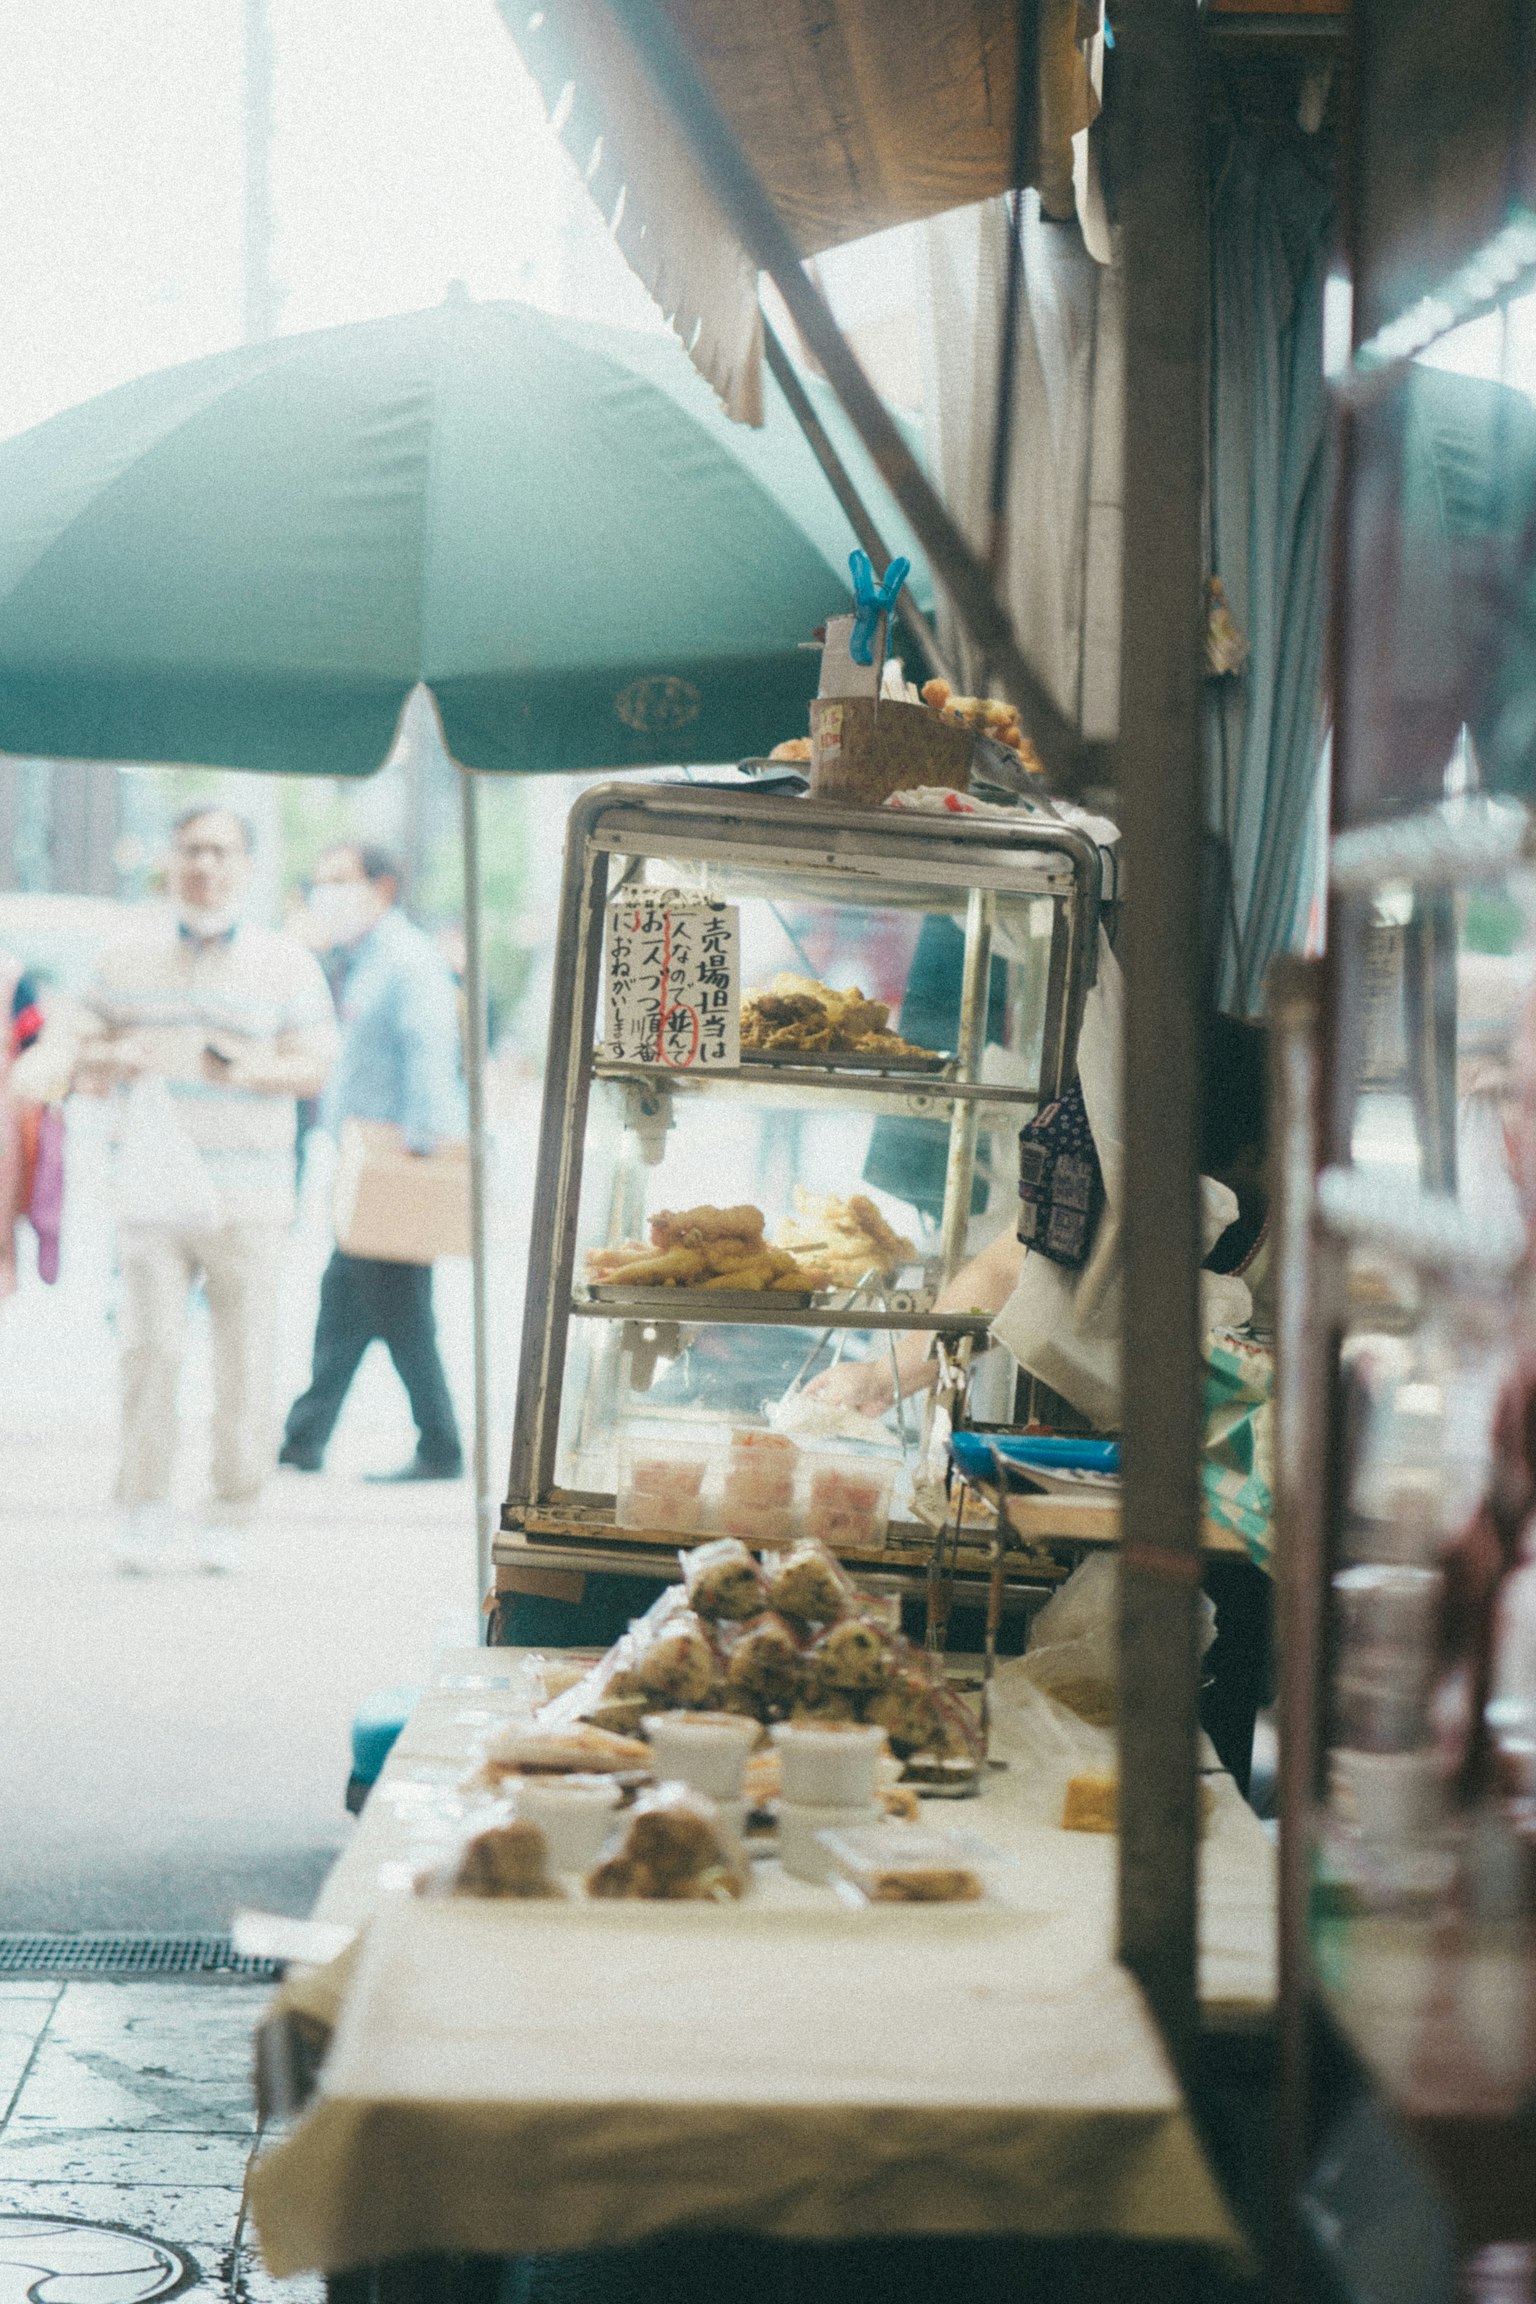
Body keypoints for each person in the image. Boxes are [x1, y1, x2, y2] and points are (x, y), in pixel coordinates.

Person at [14, 807, 338, 1573]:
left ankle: (230, 1510)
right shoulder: (123, 956)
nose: (205, 865)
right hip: (150, 1191)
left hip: (250, 1197)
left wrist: (243, 1066)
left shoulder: (286, 964)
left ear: (246, 866)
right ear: (170, 860)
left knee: (246, 1359)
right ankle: (144, 1505)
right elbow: (69, 1041)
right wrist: (108, 1052)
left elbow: (317, 1065)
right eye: (192, 849)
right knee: (148, 1352)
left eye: (221, 851)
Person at [280, 844, 466, 1482]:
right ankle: (304, 1439)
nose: (326, 893)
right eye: (320, 880)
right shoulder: (364, 958)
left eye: (341, 880)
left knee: (399, 1312)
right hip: (367, 1160)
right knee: (349, 1301)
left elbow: (431, 1055)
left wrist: (420, 1153)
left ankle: (439, 1446)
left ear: (381, 887)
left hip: (397, 1164)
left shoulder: (407, 961)